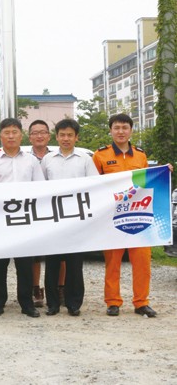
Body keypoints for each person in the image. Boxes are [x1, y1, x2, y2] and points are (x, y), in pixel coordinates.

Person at [92, 113, 156, 317]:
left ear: (131, 131)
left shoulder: (141, 155)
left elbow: (147, 182)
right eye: (117, 128)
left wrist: (164, 172)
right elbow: (92, 186)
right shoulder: (100, 156)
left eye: (124, 128)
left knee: (142, 261)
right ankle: (113, 302)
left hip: (138, 216)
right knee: (112, 261)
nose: (121, 131)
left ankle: (141, 302)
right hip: (112, 217)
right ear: (110, 130)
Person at [0, 118, 44, 318]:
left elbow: (40, 188)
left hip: (24, 220)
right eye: (6, 132)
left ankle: (27, 304)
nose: (11, 136)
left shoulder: (31, 160)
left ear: (21, 135)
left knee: (25, 265)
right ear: (0, 135)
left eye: (14, 132)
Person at [41, 119, 99, 316]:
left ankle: (74, 304)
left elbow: (95, 185)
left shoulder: (85, 159)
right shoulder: (47, 159)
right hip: (53, 219)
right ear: (56, 137)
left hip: (76, 219)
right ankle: (53, 304)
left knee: (75, 264)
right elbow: (39, 187)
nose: (66, 138)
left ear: (76, 137)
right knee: (52, 264)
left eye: (70, 135)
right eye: (62, 135)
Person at [27, 119, 54, 308]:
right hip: (31, 211)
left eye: (43, 132)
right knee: (34, 254)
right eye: (35, 133)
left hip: (55, 210)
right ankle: (35, 288)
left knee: (58, 252)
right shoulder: (24, 158)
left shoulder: (56, 156)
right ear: (29, 137)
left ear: (49, 136)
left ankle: (60, 288)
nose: (39, 136)